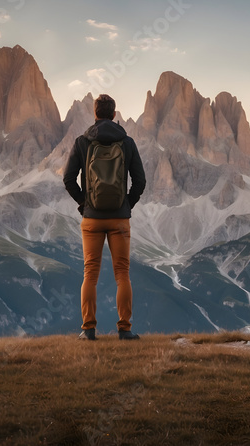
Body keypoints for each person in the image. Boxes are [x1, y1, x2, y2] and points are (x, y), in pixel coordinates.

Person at [63, 94, 147, 341]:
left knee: (90, 273)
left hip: (92, 218)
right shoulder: (128, 142)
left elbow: (68, 179)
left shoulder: (82, 141)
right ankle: (125, 329)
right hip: (120, 219)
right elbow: (140, 181)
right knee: (122, 273)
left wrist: (84, 203)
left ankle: (88, 329)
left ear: (95, 113)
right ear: (114, 114)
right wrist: (126, 205)